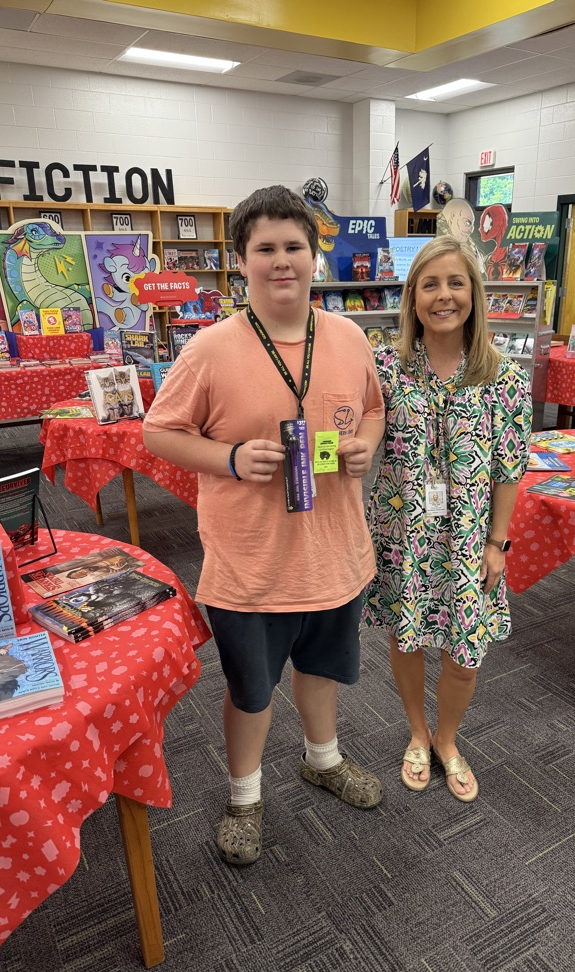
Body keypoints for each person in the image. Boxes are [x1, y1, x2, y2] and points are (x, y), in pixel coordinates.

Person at [143, 185, 385, 865]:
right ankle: (243, 798)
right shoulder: (210, 349)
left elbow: (371, 408)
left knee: (320, 671)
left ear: (315, 256)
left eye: (295, 247)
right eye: (266, 249)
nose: (283, 261)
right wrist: (228, 456)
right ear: (241, 260)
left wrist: (367, 441)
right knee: (251, 692)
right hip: (250, 566)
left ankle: (323, 759)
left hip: (335, 553)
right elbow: (159, 432)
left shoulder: (348, 337)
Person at [363, 235, 531, 802]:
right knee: (406, 637)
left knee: (465, 650)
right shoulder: (387, 369)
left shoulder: (503, 378)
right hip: (405, 533)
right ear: (412, 299)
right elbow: (354, 431)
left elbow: (510, 467)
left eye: (456, 282)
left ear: (474, 294)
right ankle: (416, 731)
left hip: (468, 540)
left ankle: (447, 739)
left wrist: (497, 544)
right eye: (429, 285)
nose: (443, 296)